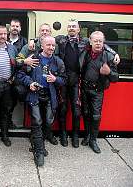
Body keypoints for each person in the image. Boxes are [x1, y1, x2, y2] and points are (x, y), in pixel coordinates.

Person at [55, 19, 120, 148]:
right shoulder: (61, 40)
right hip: (63, 79)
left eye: (74, 26)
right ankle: (63, 135)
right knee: (62, 109)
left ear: (79, 29)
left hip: (77, 81)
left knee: (77, 111)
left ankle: (76, 136)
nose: (72, 28)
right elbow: (45, 39)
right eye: (70, 26)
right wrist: (33, 42)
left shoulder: (84, 42)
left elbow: (100, 43)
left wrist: (114, 53)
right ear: (67, 29)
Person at [17, 36, 66, 167]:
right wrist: (30, 83)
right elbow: (20, 75)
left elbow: (64, 80)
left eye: (53, 45)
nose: (51, 47)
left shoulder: (58, 62)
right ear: (42, 46)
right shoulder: (33, 59)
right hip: (35, 94)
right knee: (37, 121)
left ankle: (39, 144)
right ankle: (39, 152)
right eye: (48, 45)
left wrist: (56, 79)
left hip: (50, 95)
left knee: (48, 122)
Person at [16, 23, 58, 145]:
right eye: (42, 30)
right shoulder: (29, 47)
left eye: (47, 30)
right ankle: (36, 137)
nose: (44, 32)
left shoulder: (56, 46)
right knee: (36, 117)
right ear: (39, 32)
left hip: (51, 85)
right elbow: (17, 61)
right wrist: (25, 61)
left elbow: (60, 64)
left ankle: (47, 134)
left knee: (49, 115)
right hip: (33, 84)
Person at [79, 31, 119, 153]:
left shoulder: (110, 57)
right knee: (85, 113)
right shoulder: (85, 52)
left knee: (96, 116)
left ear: (103, 42)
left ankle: (93, 140)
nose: (98, 43)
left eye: (100, 41)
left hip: (98, 91)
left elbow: (116, 78)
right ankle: (87, 136)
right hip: (85, 89)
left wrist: (109, 73)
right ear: (90, 42)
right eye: (95, 41)